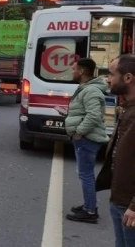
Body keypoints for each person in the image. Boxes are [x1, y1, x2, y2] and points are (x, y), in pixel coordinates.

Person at [62, 57, 108, 224]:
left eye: (74, 69)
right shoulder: (86, 88)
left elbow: (94, 116)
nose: (72, 72)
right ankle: (89, 205)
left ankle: (90, 211)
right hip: (85, 138)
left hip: (87, 139)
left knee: (86, 175)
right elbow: (85, 112)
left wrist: (79, 132)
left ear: (81, 71)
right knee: (85, 174)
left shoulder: (90, 90)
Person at [96, 54, 135, 245]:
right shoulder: (126, 107)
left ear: (128, 78)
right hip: (119, 199)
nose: (107, 79)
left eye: (111, 74)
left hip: (130, 205)